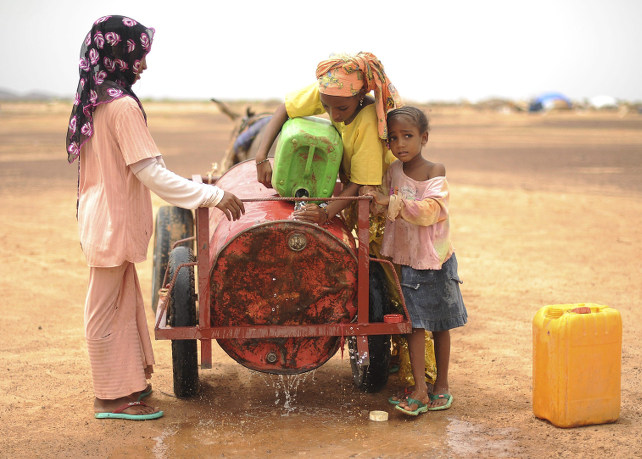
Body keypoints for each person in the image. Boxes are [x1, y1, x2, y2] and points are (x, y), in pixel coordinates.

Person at [66, 15, 245, 421]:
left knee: (121, 305)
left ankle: (128, 385)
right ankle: (110, 398)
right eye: (139, 55)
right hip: (111, 221)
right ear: (119, 53)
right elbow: (153, 176)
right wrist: (213, 195)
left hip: (102, 217)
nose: (144, 64)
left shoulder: (98, 101)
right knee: (104, 308)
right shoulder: (122, 107)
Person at [365, 106, 467, 415]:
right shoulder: (394, 171)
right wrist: (372, 198)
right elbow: (380, 199)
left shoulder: (436, 171)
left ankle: (443, 386)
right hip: (407, 260)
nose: (400, 144)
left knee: (441, 325)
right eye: (393, 138)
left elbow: (431, 210)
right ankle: (421, 391)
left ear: (423, 137)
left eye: (407, 136)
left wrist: (390, 202)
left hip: (435, 261)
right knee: (414, 326)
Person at [254, 51, 401, 229]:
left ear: (360, 95)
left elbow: (360, 182)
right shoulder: (332, 93)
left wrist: (326, 213)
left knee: (374, 251)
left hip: (378, 196)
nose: (334, 114)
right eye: (326, 107)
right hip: (353, 189)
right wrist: (261, 157)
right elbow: (285, 108)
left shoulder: (368, 121)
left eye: (342, 108)